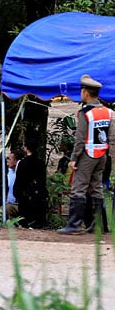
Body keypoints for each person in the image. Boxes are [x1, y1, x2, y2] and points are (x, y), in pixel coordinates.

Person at [58, 74, 115, 235]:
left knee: (78, 188)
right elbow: (111, 136)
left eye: (82, 90)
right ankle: (99, 225)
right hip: (102, 155)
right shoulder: (108, 112)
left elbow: (80, 138)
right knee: (96, 188)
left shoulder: (86, 113)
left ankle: (74, 224)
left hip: (87, 154)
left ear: (86, 93)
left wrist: (74, 158)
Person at [13, 138, 48, 228]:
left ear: (26, 148)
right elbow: (43, 181)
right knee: (37, 223)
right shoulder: (41, 163)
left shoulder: (22, 163)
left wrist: (17, 194)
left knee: (25, 222)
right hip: (38, 196)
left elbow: (19, 181)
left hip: (25, 196)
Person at [6, 149, 25, 220]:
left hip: (17, 204)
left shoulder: (22, 173)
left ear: (16, 161)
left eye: (9, 159)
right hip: (8, 203)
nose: (7, 160)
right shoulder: (7, 172)